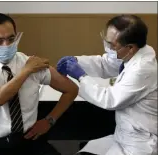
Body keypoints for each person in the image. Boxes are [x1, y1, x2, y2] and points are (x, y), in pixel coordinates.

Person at [0, 13, 78, 155]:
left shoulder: (30, 62)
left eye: (11, 39)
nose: (6, 45)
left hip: (29, 138)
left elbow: (71, 89)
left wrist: (49, 120)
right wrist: (25, 71)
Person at [57, 15, 157, 155]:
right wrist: (77, 61)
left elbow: (110, 100)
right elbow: (107, 64)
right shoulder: (133, 53)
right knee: (86, 150)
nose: (108, 47)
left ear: (130, 48)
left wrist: (81, 76)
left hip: (139, 144)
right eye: (107, 41)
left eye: (112, 45)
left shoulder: (143, 69)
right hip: (123, 135)